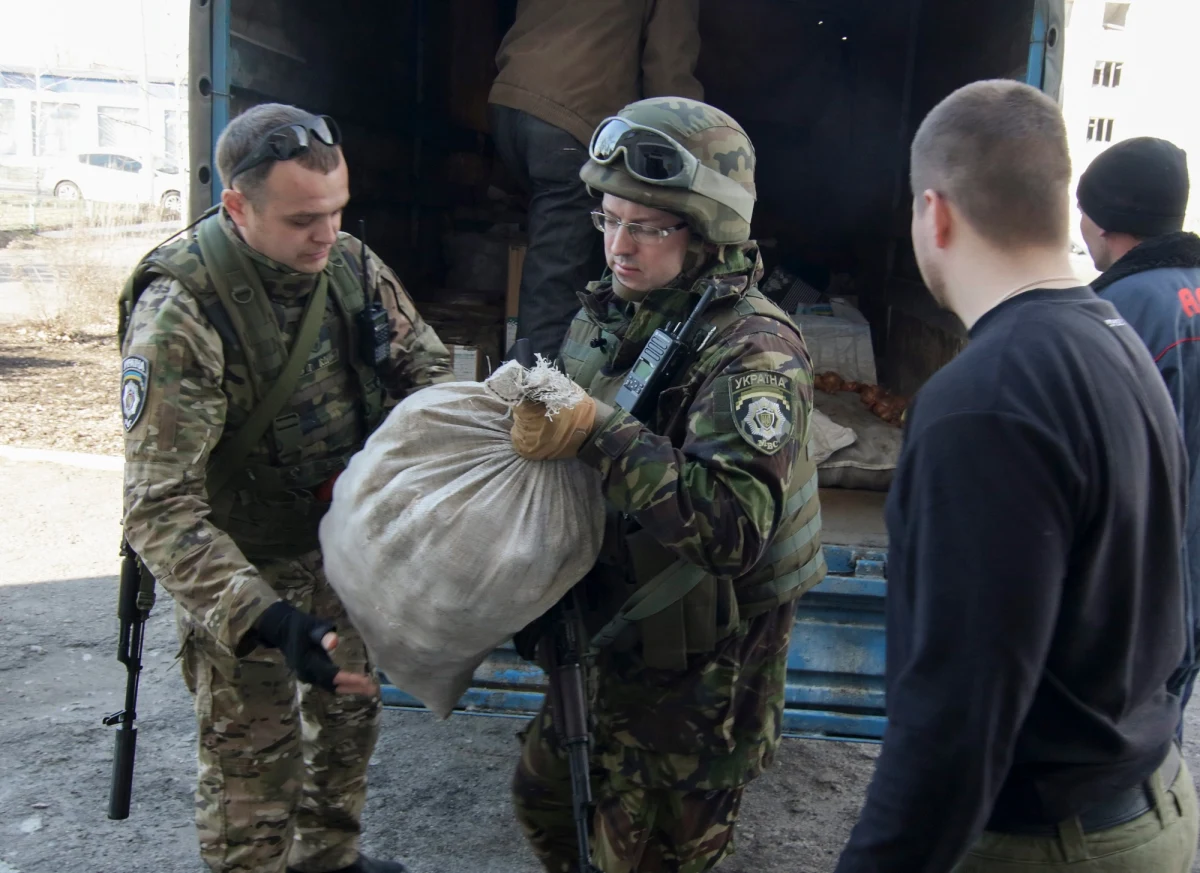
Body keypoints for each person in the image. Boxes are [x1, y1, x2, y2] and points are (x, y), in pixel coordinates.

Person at [833, 80, 1199, 873]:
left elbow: (955, 721)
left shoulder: (984, 399)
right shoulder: (1117, 336)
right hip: (1149, 797)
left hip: (1052, 844)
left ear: (934, 213)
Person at [118, 103, 453, 873]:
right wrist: (263, 617)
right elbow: (158, 508)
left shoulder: (351, 265)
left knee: (347, 722)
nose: (327, 234)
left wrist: (422, 475)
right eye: (304, 219)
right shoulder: (181, 315)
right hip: (241, 566)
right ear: (238, 207)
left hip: (340, 550)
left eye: (338, 210)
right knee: (253, 772)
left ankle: (329, 859)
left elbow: (428, 375)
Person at [506, 97, 824, 872]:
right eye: (609, 219)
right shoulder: (622, 309)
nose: (618, 246)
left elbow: (732, 528)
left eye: (646, 227)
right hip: (610, 645)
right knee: (545, 802)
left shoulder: (754, 353)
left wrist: (596, 429)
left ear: (709, 230)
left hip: (696, 689)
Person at [489, 0, 704, 360]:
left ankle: (560, 366)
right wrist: (693, 151)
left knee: (566, 248)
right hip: (573, 116)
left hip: (511, 102)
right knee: (561, 270)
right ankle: (535, 384)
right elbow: (670, 74)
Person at [1078, 136, 1200, 729]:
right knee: (1160, 735)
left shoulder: (1119, 311)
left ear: (1104, 220)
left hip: (1136, 591)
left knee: (1109, 749)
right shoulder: (1185, 294)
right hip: (1189, 586)